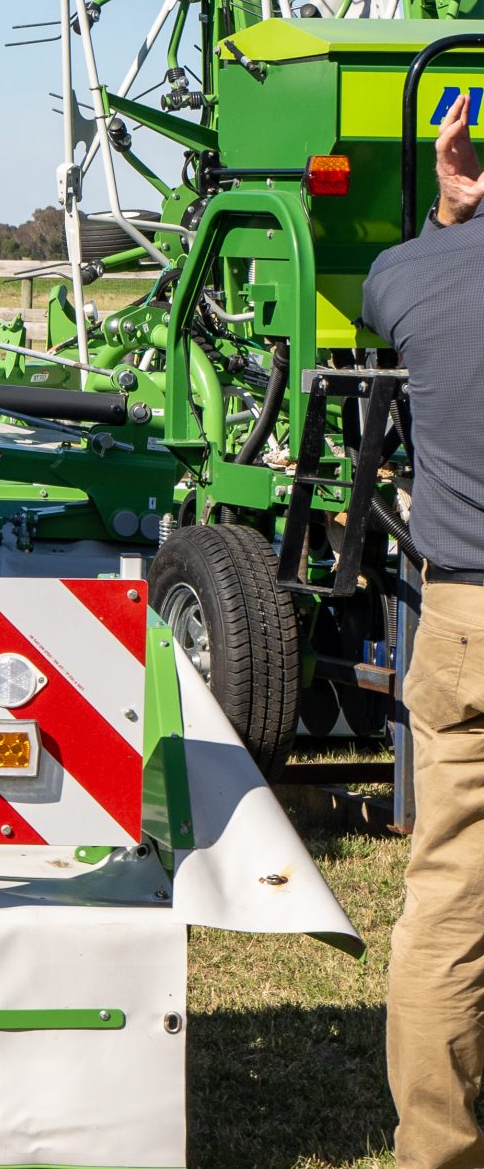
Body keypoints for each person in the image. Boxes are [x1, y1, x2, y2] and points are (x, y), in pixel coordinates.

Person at [367, 92, 484, 1169]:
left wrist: (450, 216)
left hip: (464, 619)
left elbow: (399, 282)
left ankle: (438, 1150)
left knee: (449, 898)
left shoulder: (407, 277)